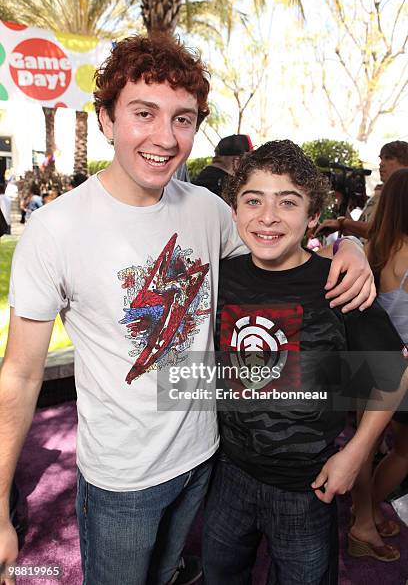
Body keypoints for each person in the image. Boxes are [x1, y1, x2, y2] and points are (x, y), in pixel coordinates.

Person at [0, 35, 374, 585]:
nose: (165, 137)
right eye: (143, 114)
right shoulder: (54, 230)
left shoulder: (208, 209)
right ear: (105, 118)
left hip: (208, 458)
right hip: (121, 480)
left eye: (183, 119)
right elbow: (22, 373)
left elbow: (279, 254)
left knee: (174, 574)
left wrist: (352, 247)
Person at [202, 140, 407, 584]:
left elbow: (394, 372)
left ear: (313, 217)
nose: (268, 216)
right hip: (228, 473)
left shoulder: (337, 284)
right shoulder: (220, 277)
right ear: (234, 211)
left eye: (288, 202)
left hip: (307, 485)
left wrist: (355, 453)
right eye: (252, 200)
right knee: (219, 571)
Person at [349, 168, 408, 562]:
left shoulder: (375, 248)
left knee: (363, 447)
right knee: (404, 452)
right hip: (399, 369)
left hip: (365, 359)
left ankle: (363, 519)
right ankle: (364, 520)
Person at [316, 140, 408, 241]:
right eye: (381, 158)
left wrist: (343, 222)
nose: (381, 164)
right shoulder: (378, 195)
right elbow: (357, 235)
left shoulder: (402, 194)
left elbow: (381, 232)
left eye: (388, 158)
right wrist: (341, 198)